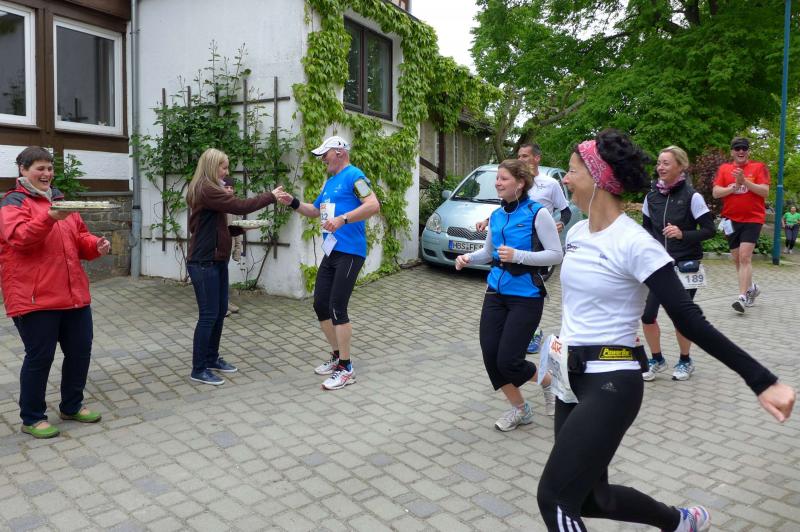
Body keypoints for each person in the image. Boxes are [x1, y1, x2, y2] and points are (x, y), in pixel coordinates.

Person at [536, 129, 795, 532]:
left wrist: (762, 381)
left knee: (554, 498)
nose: (565, 180)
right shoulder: (578, 233)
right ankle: (678, 521)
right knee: (590, 497)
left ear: (600, 178)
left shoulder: (635, 243)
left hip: (611, 382)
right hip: (570, 377)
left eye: (572, 171)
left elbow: (690, 320)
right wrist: (553, 358)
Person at [0, 146, 111, 438]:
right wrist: (50, 217)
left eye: (50, 168)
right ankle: (32, 417)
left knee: (80, 351)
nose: (47, 174)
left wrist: (95, 245)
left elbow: (79, 236)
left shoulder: (61, 200)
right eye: (40, 168)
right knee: (40, 357)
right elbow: (20, 238)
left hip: (73, 294)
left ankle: (72, 406)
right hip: (35, 297)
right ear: (23, 170)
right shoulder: (12, 203)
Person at [455, 159, 562, 429]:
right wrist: (468, 258)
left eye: (503, 179)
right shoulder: (497, 215)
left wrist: (519, 256)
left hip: (527, 296)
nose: (498, 183)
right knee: (491, 356)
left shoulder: (538, 213)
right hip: (495, 292)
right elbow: (488, 252)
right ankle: (520, 409)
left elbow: (555, 254)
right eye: (497, 178)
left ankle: (549, 381)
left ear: (520, 183)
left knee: (509, 361)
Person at [275, 136, 380, 390]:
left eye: (325, 154)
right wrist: (293, 202)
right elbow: (315, 210)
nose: (322, 159)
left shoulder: (355, 176)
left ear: (340, 152)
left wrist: (343, 219)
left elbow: (373, 205)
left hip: (351, 252)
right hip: (332, 252)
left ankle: (346, 368)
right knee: (320, 304)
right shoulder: (331, 182)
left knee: (337, 307)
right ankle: (336, 356)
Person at [186, 148, 282, 386]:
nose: (227, 172)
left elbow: (213, 227)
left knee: (219, 312)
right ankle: (198, 368)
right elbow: (239, 206)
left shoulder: (211, 189)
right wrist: (270, 196)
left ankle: (211, 358)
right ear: (212, 167)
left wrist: (240, 229)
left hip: (217, 260)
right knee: (208, 315)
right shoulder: (206, 189)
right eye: (224, 167)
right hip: (203, 262)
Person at [640, 146, 715, 382]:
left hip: (685, 265)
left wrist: (683, 234)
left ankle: (685, 360)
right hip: (658, 265)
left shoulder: (692, 196)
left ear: (680, 166)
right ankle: (656, 359)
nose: (660, 167)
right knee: (647, 316)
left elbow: (709, 230)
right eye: (659, 163)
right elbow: (645, 229)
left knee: (681, 316)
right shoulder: (651, 197)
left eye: (666, 163)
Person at [712, 137, 770, 313]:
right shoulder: (724, 169)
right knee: (737, 259)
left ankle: (742, 297)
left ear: (748, 151)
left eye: (744, 148)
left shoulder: (758, 167)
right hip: (730, 220)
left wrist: (744, 181)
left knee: (745, 257)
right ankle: (751, 288)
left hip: (753, 219)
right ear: (732, 152)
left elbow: (764, 191)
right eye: (737, 148)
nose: (741, 151)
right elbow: (716, 193)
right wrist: (734, 187)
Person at [222, 176, 242, 317]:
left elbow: (237, 229)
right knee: (218, 277)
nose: (229, 190)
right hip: (218, 248)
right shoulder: (217, 205)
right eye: (226, 187)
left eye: (231, 187)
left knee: (224, 277)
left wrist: (237, 249)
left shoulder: (233, 205)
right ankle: (220, 306)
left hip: (228, 247)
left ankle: (225, 302)